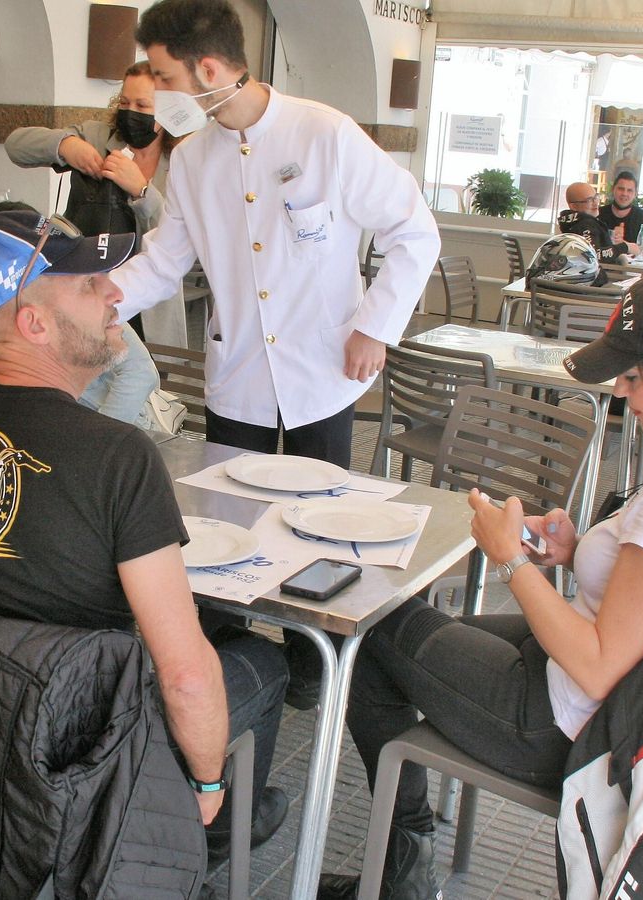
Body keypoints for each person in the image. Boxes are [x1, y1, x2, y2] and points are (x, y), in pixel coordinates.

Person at [318, 268, 643, 899]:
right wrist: (576, 553)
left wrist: (509, 561)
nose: (624, 396)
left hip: (567, 720)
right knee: (400, 634)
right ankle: (402, 862)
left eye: (634, 378)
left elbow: (598, 666)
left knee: (372, 624)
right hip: (625, 690)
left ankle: (403, 867)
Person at [0, 210, 291, 867]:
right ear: (33, 324)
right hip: (75, 740)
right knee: (261, 662)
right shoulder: (117, 456)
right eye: (90, 285)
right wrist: (207, 781)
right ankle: (195, 847)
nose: (116, 293)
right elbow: (182, 675)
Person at [112, 0, 440, 707]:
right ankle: (223, 664)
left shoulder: (324, 134)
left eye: (163, 77)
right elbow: (161, 264)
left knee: (319, 522)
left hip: (325, 373)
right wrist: (90, 308)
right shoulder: (194, 160)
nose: (159, 95)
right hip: (239, 378)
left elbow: (415, 232)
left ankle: (311, 665)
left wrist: (375, 325)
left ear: (206, 69)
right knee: (230, 521)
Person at [5, 61, 187, 348]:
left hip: (145, 304)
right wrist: (64, 145)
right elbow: (16, 145)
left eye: (143, 105)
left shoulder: (182, 160)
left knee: (140, 380)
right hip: (78, 283)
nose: (131, 112)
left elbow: (179, 237)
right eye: (125, 102)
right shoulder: (95, 136)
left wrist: (142, 191)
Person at [0, 201, 159, 427]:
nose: (116, 294)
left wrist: (98, 435)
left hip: (109, 427)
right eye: (89, 281)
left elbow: (141, 372)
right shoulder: (5, 318)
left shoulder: (88, 309)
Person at [557, 181, 625, 265]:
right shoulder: (586, 225)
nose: (596, 203)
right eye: (589, 200)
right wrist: (624, 247)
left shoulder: (572, 223)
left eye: (596, 197)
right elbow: (593, 255)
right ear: (573, 206)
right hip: (595, 276)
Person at [599, 171, 643, 258]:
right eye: (621, 189)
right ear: (613, 189)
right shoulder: (599, 213)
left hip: (632, 269)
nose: (624, 194)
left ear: (635, 193)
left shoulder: (642, 216)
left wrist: (626, 246)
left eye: (629, 190)